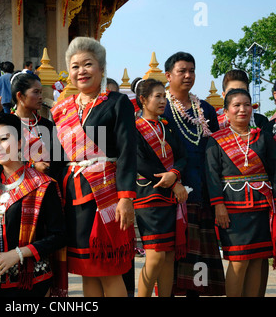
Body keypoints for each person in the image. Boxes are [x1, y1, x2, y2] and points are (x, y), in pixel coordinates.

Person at [51, 37, 137, 297]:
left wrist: (125, 198)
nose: (81, 71)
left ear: (101, 67)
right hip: (75, 194)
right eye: (75, 66)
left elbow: (126, 152)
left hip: (107, 194)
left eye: (88, 64)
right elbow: (59, 155)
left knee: (108, 268)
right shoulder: (63, 109)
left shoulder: (117, 103)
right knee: (88, 270)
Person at [0, 113, 67, 297]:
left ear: (19, 142)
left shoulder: (43, 185)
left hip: (32, 284)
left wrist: (17, 254)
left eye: (4, 139)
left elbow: (59, 236)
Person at [162, 51, 225, 296]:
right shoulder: (162, 107)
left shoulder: (206, 109)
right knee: (169, 259)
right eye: (182, 71)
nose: (188, 75)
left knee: (198, 264)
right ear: (168, 75)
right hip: (171, 192)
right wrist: (175, 180)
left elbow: (215, 151)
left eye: (192, 70)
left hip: (201, 191)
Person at [206, 88, 276, 297]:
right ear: (226, 112)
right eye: (236, 105)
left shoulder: (262, 137)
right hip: (232, 209)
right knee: (238, 261)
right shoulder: (216, 141)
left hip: (261, 208)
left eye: (246, 105)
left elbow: (274, 171)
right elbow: (211, 175)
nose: (242, 110)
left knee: (257, 260)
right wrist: (218, 205)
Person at [131, 78, 188, 297]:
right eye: (158, 96)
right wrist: (173, 182)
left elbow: (182, 157)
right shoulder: (134, 129)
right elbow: (140, 162)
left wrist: (174, 174)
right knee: (155, 257)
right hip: (148, 196)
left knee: (168, 256)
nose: (163, 100)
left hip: (170, 198)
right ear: (143, 100)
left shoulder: (167, 127)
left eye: (165, 96)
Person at [11, 71, 54, 175]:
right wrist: (33, 165)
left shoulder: (47, 125)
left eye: (41, 92)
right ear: (20, 96)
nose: (40, 97)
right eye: (35, 92)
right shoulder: (8, 124)